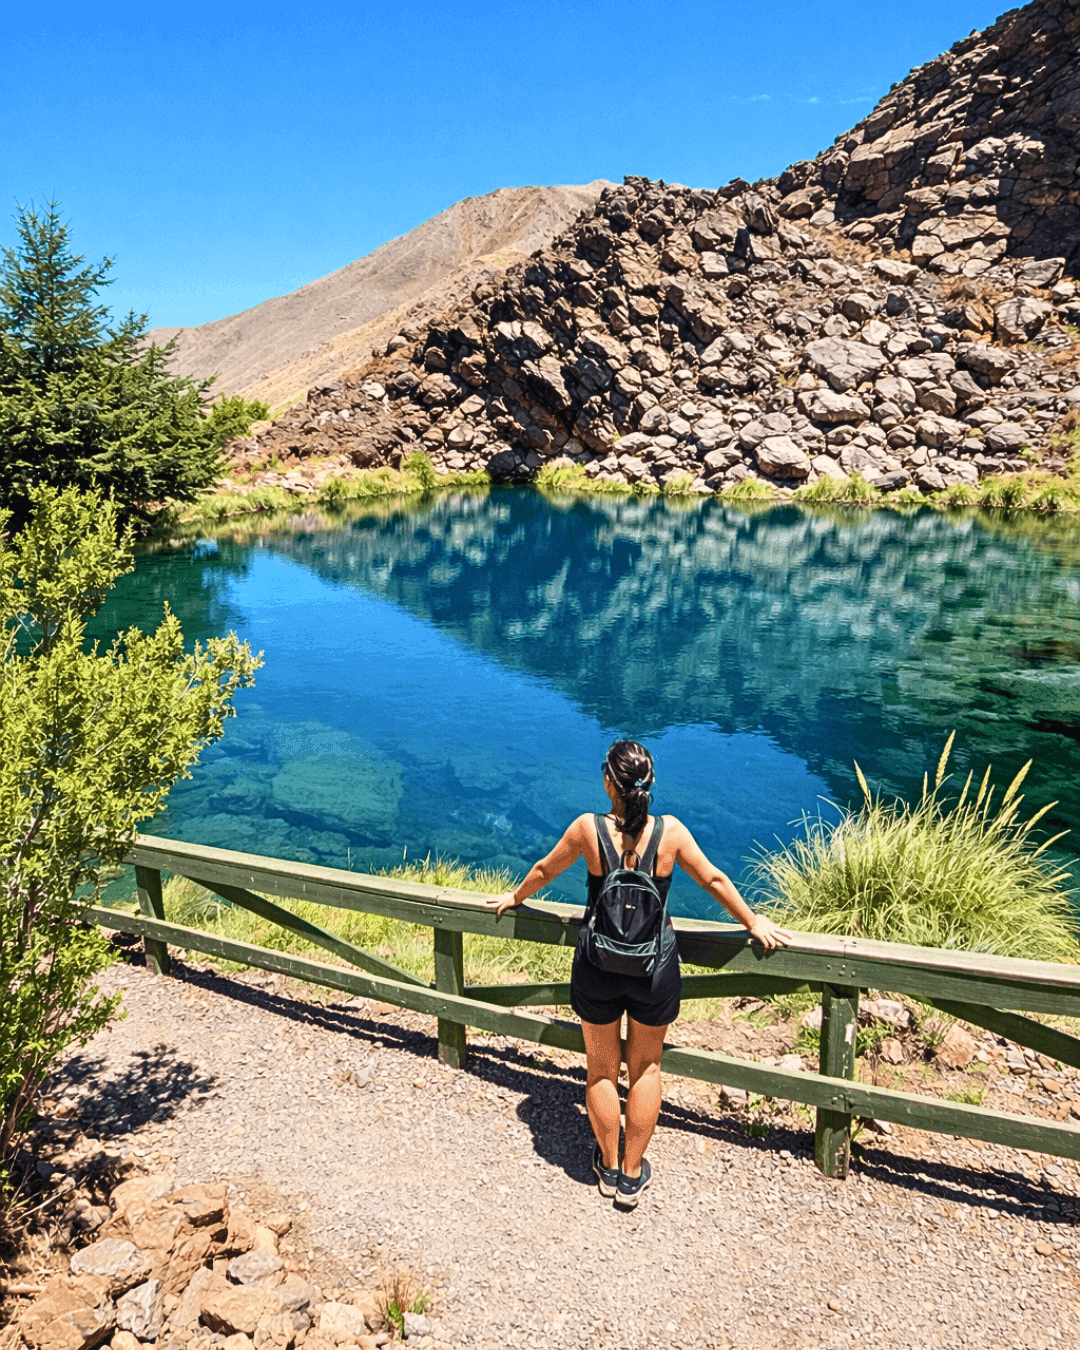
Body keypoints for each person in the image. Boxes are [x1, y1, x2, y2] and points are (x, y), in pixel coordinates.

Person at [480, 739, 792, 1208]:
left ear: (608, 781)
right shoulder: (670, 833)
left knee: (601, 1068)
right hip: (653, 970)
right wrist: (753, 922)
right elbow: (714, 879)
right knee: (646, 1067)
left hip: (598, 967)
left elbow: (546, 868)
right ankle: (631, 1174)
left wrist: (514, 899)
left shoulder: (588, 829)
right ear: (650, 784)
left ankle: (605, 1165)